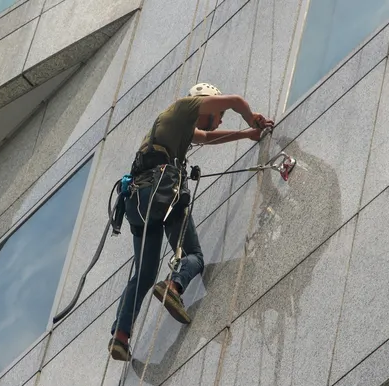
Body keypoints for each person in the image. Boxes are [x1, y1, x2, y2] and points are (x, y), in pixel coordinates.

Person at [108, 83, 274, 361]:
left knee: (144, 274)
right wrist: (252, 118)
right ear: (206, 104)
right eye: (218, 113)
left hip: (137, 202)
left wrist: (246, 134)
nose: (219, 119)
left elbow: (207, 138)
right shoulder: (184, 107)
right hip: (162, 193)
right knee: (194, 255)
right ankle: (174, 286)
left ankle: (120, 336)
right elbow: (235, 101)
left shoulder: (175, 127)